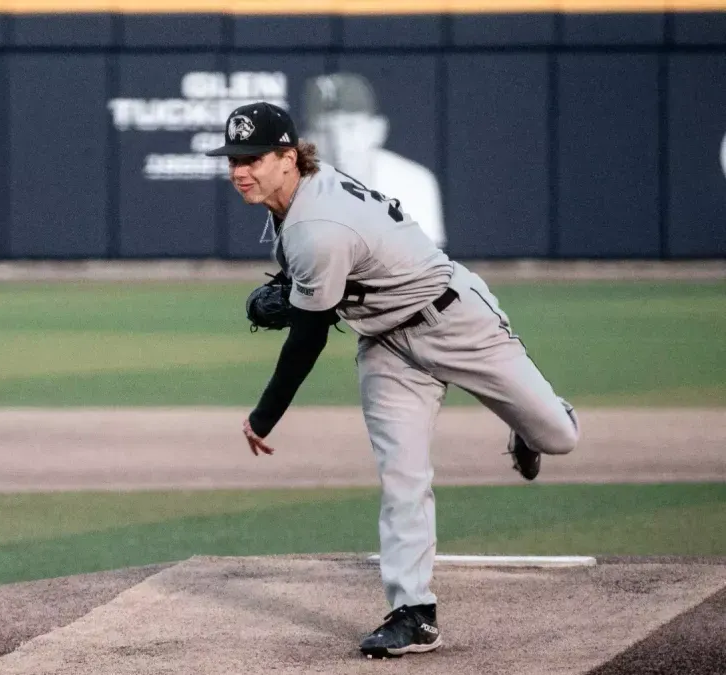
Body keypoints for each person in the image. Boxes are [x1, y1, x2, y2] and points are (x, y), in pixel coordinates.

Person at [205, 101, 579, 659]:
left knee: (558, 437)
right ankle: (415, 613)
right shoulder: (298, 195)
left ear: (288, 156)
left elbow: (307, 339)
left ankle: (526, 424)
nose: (240, 170)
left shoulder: (315, 224)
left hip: (454, 319)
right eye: (233, 158)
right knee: (403, 475)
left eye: (253, 158)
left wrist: (263, 417)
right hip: (386, 346)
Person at [301, 73, 446, 249]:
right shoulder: (293, 187)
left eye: (350, 127)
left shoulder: (413, 183)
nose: (338, 143)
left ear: (377, 130)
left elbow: (429, 267)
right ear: (307, 140)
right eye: (324, 131)